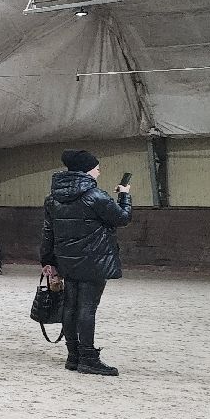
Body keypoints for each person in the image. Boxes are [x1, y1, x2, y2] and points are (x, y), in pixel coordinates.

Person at [40, 149, 132, 376]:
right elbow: (122, 218)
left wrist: (48, 260)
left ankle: (73, 356)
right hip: (94, 260)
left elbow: (48, 232)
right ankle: (88, 357)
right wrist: (125, 195)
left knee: (70, 307)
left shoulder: (53, 198)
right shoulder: (95, 196)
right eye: (96, 166)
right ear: (86, 170)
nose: (99, 169)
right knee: (87, 309)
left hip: (66, 260)